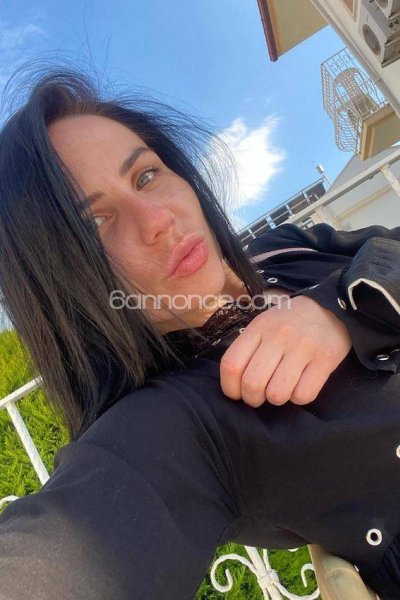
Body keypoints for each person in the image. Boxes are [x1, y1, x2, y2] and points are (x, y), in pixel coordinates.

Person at [0, 66, 400, 599]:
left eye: (146, 175)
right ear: (62, 286)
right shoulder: (180, 417)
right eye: (95, 222)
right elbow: (67, 550)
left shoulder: (285, 247)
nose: (157, 220)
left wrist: (341, 308)